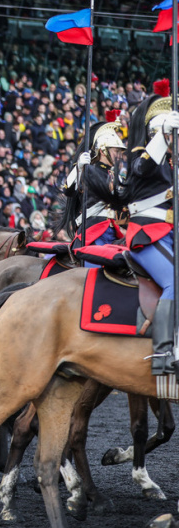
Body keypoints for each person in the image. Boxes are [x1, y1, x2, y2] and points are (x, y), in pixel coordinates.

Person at [121, 79, 179, 375]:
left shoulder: (169, 163)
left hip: (167, 236)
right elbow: (140, 168)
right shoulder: (143, 154)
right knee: (174, 281)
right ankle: (163, 351)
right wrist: (162, 136)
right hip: (147, 235)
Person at [57, 110, 126, 268]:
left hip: (113, 230)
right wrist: (79, 168)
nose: (119, 156)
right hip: (93, 230)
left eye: (120, 152)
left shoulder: (117, 176)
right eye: (116, 151)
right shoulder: (89, 170)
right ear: (103, 151)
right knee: (93, 272)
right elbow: (68, 190)